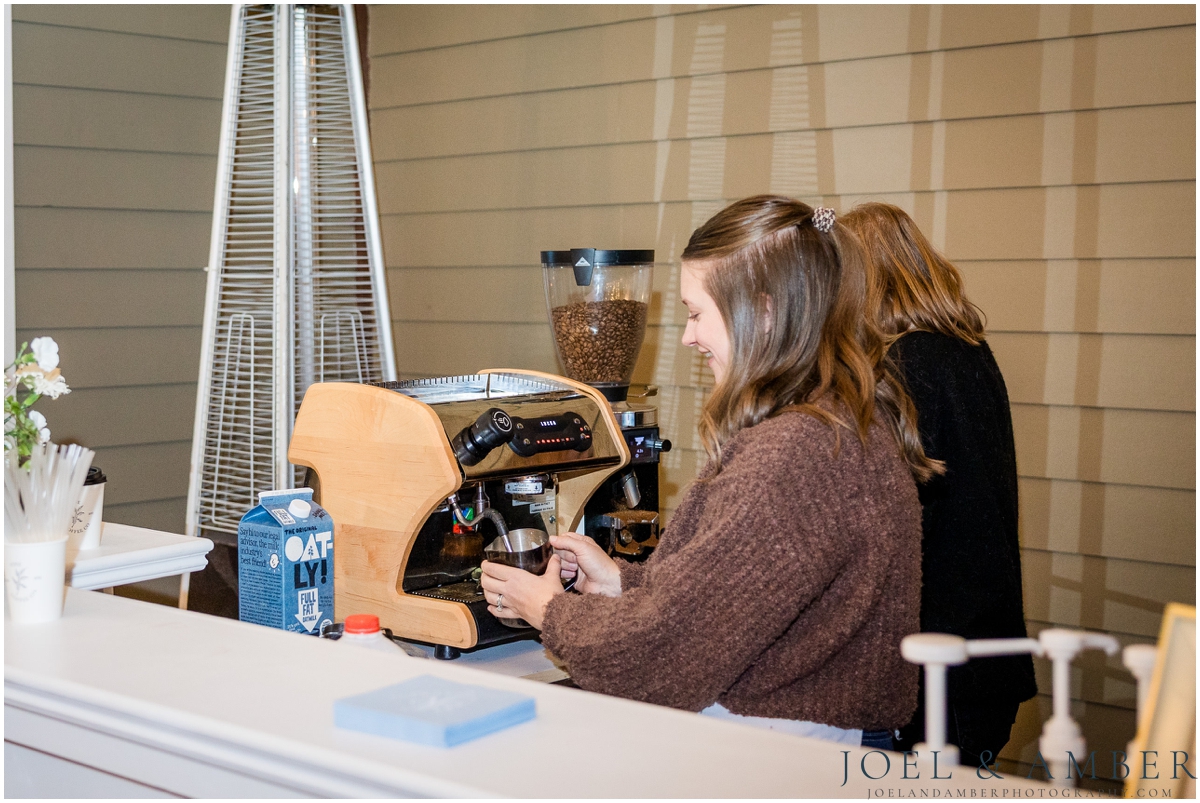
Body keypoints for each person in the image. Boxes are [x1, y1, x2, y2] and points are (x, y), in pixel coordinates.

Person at [480, 195, 941, 749]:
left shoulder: (792, 454)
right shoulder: (838, 420)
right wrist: (620, 581)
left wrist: (547, 610)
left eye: (697, 314)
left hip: (793, 750)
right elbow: (739, 593)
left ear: (764, 312)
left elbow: (666, 657)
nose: (687, 337)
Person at [841, 202, 1037, 768]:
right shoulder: (968, 351)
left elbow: (885, 514)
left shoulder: (903, 366)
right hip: (984, 646)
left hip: (936, 655)